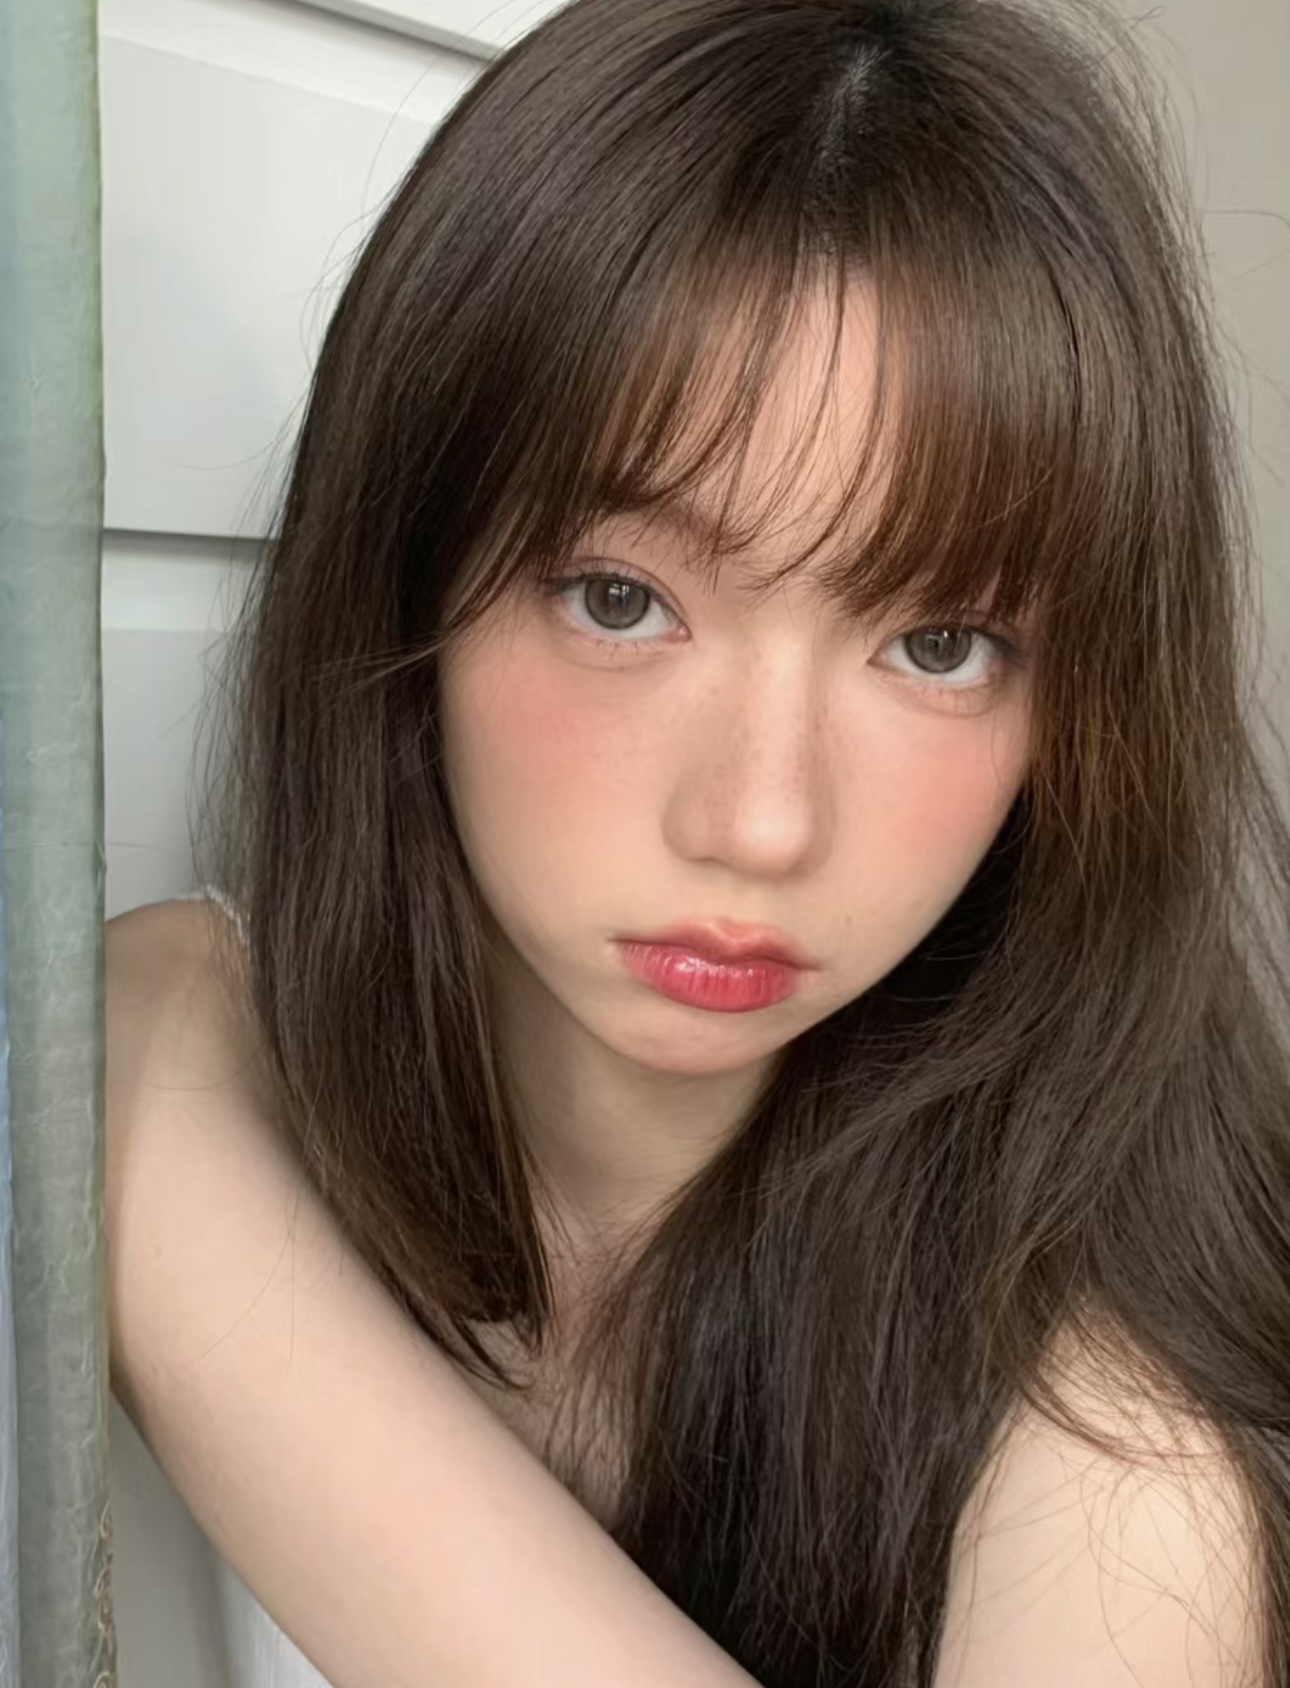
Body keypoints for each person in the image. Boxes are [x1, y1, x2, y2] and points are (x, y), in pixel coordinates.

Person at [105, 0, 1290, 1684]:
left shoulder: (1122, 1476)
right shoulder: (165, 1038)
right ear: (405, 581)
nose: (759, 820)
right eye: (618, 599)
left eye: (937, 643)